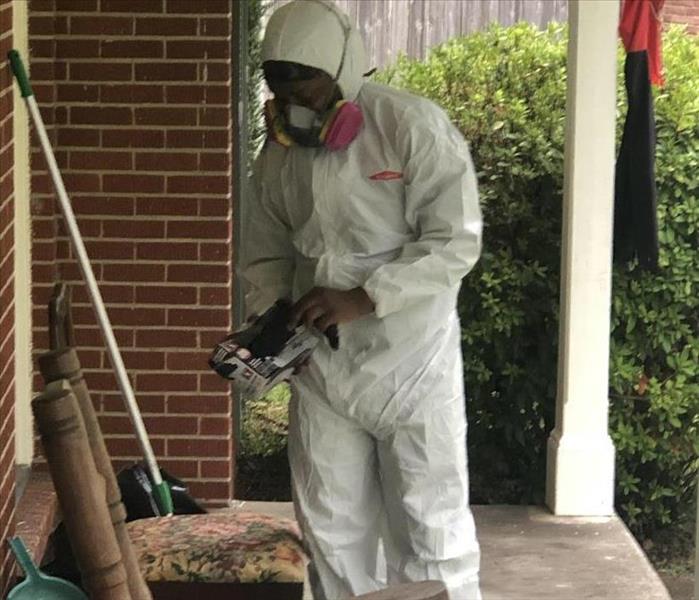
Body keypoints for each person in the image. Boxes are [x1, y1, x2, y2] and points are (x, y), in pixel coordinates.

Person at [241, 1, 483, 598]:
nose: (297, 97)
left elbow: (455, 243)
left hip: (411, 363)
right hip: (324, 368)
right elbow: (265, 254)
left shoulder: (411, 126)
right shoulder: (279, 154)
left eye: (309, 80)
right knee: (330, 533)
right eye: (280, 80)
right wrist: (271, 326)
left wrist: (366, 296)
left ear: (346, 67)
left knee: (432, 532)